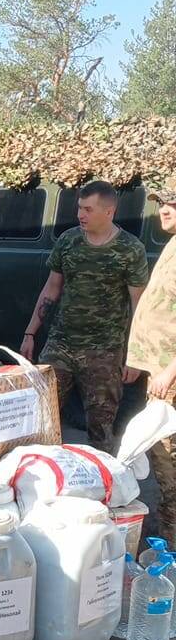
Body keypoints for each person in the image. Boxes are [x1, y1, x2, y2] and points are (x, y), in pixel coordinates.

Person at [20, 179, 148, 452]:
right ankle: (43, 472)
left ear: (109, 211)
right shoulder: (69, 241)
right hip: (61, 345)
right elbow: (51, 288)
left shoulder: (130, 249)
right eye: (79, 208)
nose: (80, 215)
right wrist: (30, 333)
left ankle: (101, 476)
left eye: (88, 209)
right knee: (41, 418)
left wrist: (135, 355)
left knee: (101, 430)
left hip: (104, 352)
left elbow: (139, 304)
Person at [126, 176, 176, 540]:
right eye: (162, 203)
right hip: (159, 370)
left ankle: (171, 547)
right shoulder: (172, 245)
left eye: (173, 204)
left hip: (169, 376)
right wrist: (137, 357)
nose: (164, 210)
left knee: (169, 463)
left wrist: (169, 372)